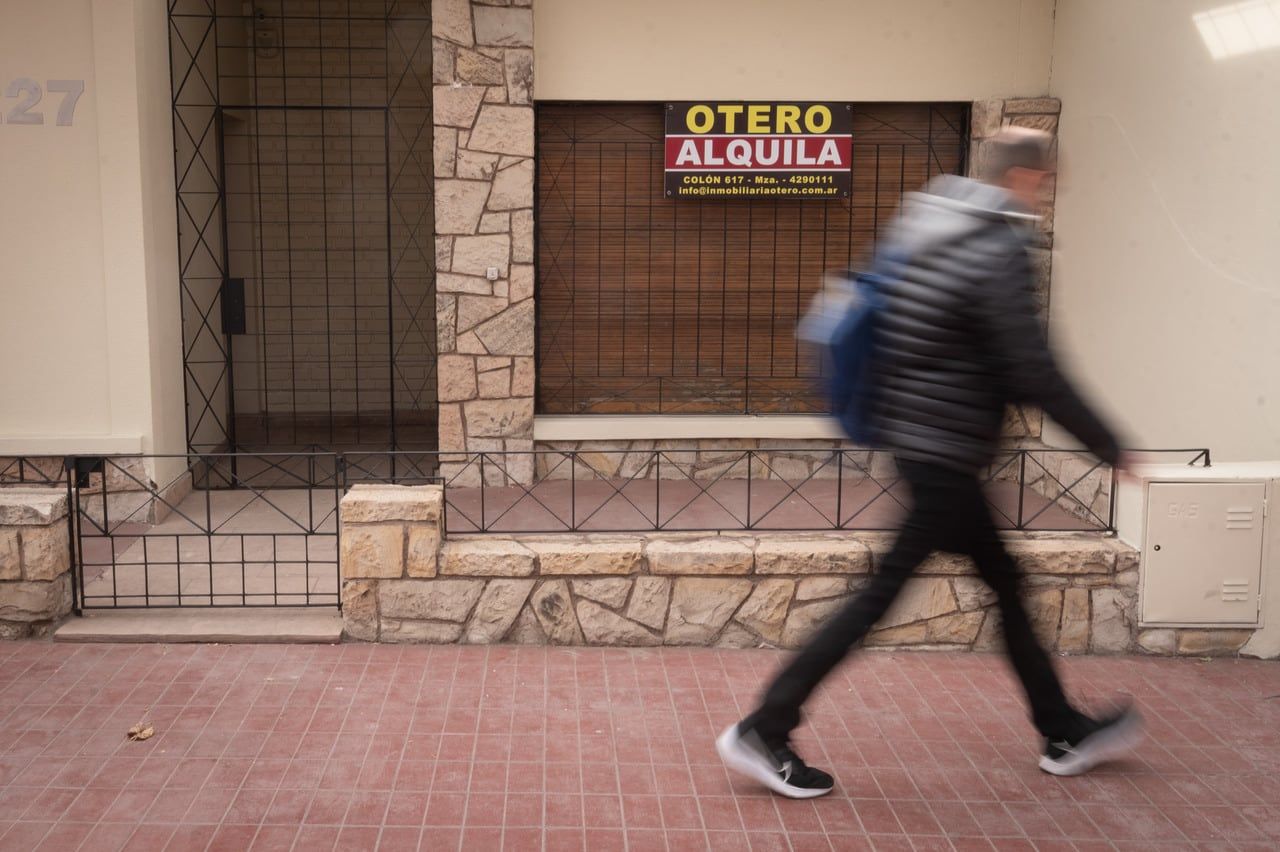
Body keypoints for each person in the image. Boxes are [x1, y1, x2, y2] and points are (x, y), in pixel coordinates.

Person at [717, 127, 1142, 799]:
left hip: (920, 441)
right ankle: (766, 728)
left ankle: (1063, 729)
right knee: (881, 596)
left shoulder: (925, 227)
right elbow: (1029, 364)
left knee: (1003, 585)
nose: (1047, 197)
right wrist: (1108, 443)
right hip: (947, 451)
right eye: (1047, 183)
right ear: (1027, 179)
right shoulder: (994, 248)